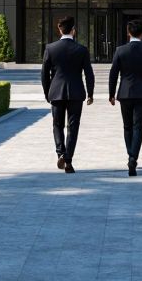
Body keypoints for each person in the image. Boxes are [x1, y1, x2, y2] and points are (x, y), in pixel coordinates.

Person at [108, 18, 142, 176]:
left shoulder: (120, 51)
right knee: (138, 126)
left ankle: (131, 155)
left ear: (128, 32)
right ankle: (133, 156)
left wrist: (111, 94)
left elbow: (113, 74)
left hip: (125, 93)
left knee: (127, 126)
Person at [40, 15, 94, 173]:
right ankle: (68, 159)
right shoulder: (82, 50)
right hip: (76, 93)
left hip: (56, 92)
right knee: (73, 126)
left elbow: (44, 74)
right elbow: (89, 74)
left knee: (57, 124)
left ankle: (60, 153)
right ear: (74, 31)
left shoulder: (50, 48)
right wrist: (90, 93)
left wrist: (47, 92)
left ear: (59, 29)